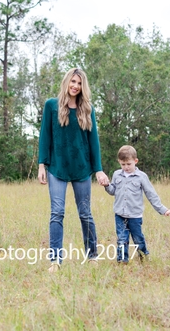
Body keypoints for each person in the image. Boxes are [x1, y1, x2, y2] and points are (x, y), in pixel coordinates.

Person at [38, 68, 110, 272]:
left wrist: (98, 170)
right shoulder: (51, 106)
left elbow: (93, 141)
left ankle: (92, 255)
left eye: (79, 83)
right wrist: (41, 164)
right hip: (57, 166)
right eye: (73, 82)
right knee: (57, 213)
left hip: (81, 167)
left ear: (82, 86)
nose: (75, 86)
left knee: (85, 213)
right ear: (66, 82)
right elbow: (44, 136)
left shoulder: (87, 108)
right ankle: (55, 261)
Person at [104, 145, 168, 263]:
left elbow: (151, 194)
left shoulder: (141, 177)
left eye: (129, 164)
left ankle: (143, 256)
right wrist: (107, 185)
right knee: (122, 239)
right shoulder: (117, 174)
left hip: (135, 215)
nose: (126, 167)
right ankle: (122, 260)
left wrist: (162, 209)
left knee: (138, 238)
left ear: (135, 161)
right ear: (119, 162)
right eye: (123, 164)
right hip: (120, 214)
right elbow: (112, 191)